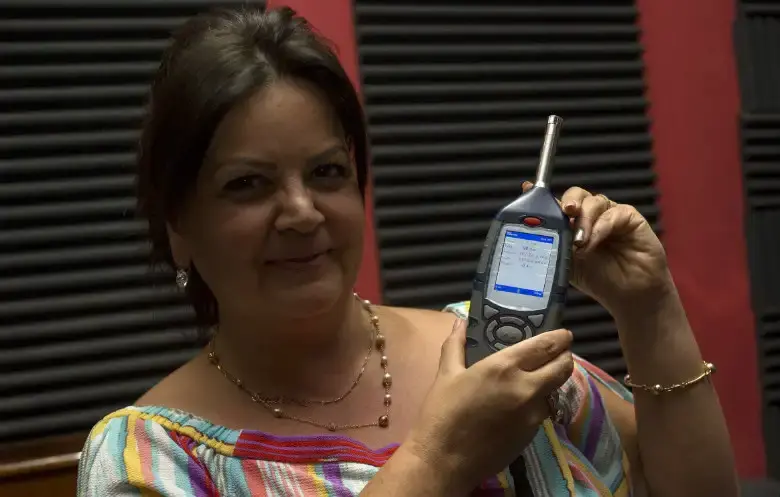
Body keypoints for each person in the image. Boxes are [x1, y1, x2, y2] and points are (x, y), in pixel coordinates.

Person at [76, 6, 738, 497]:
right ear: (178, 226)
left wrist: (650, 311)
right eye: (248, 184)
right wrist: (439, 460)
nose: (302, 211)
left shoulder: (491, 353)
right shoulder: (147, 459)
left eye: (327, 173)